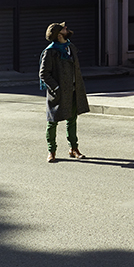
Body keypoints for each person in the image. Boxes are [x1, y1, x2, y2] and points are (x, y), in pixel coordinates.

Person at [39, 22, 90, 163]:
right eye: (64, 28)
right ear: (59, 34)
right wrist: (56, 88)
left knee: (72, 120)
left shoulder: (70, 47)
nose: (67, 29)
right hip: (58, 93)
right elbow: (44, 74)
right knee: (52, 122)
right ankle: (51, 151)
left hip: (73, 91)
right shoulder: (50, 52)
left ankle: (74, 149)